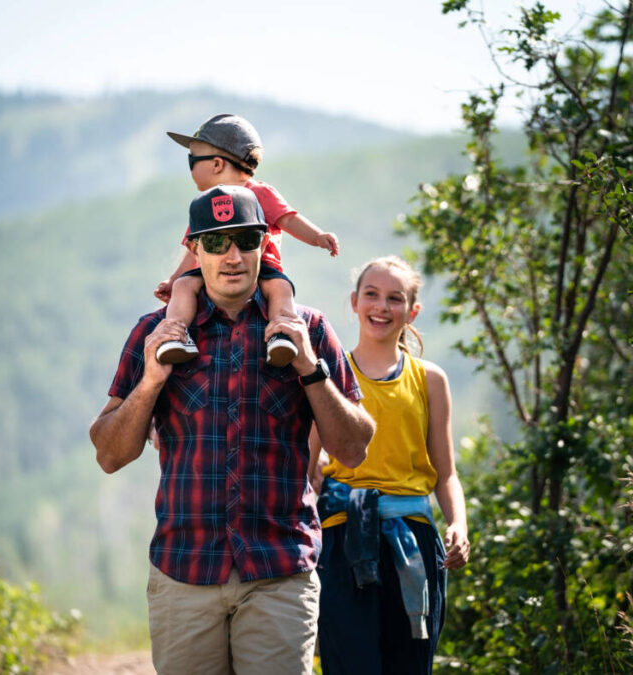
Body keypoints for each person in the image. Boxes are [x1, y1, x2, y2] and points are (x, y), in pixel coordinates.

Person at [91, 184, 374, 674]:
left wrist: (310, 368)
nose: (232, 255)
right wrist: (152, 381)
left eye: (244, 239)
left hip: (280, 572)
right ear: (195, 249)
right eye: (216, 242)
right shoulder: (154, 333)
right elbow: (109, 454)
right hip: (184, 571)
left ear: (264, 244)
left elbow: (352, 448)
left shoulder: (310, 329)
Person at [308, 255, 470, 675]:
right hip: (343, 539)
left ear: (412, 310)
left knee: (410, 666)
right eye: (371, 295)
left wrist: (459, 526)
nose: (381, 307)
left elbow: (445, 472)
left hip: (414, 544)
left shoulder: (429, 380)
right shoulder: (325, 377)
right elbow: (308, 471)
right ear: (354, 302)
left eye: (394, 299)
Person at [154, 113, 340, 367]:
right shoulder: (205, 205)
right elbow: (195, 249)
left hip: (263, 269)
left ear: (217, 164)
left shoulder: (259, 193)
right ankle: (175, 335)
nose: (191, 169)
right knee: (183, 288)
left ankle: (282, 334)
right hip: (214, 272)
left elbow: (289, 219)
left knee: (280, 289)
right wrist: (175, 279)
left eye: (192, 160)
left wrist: (317, 236)